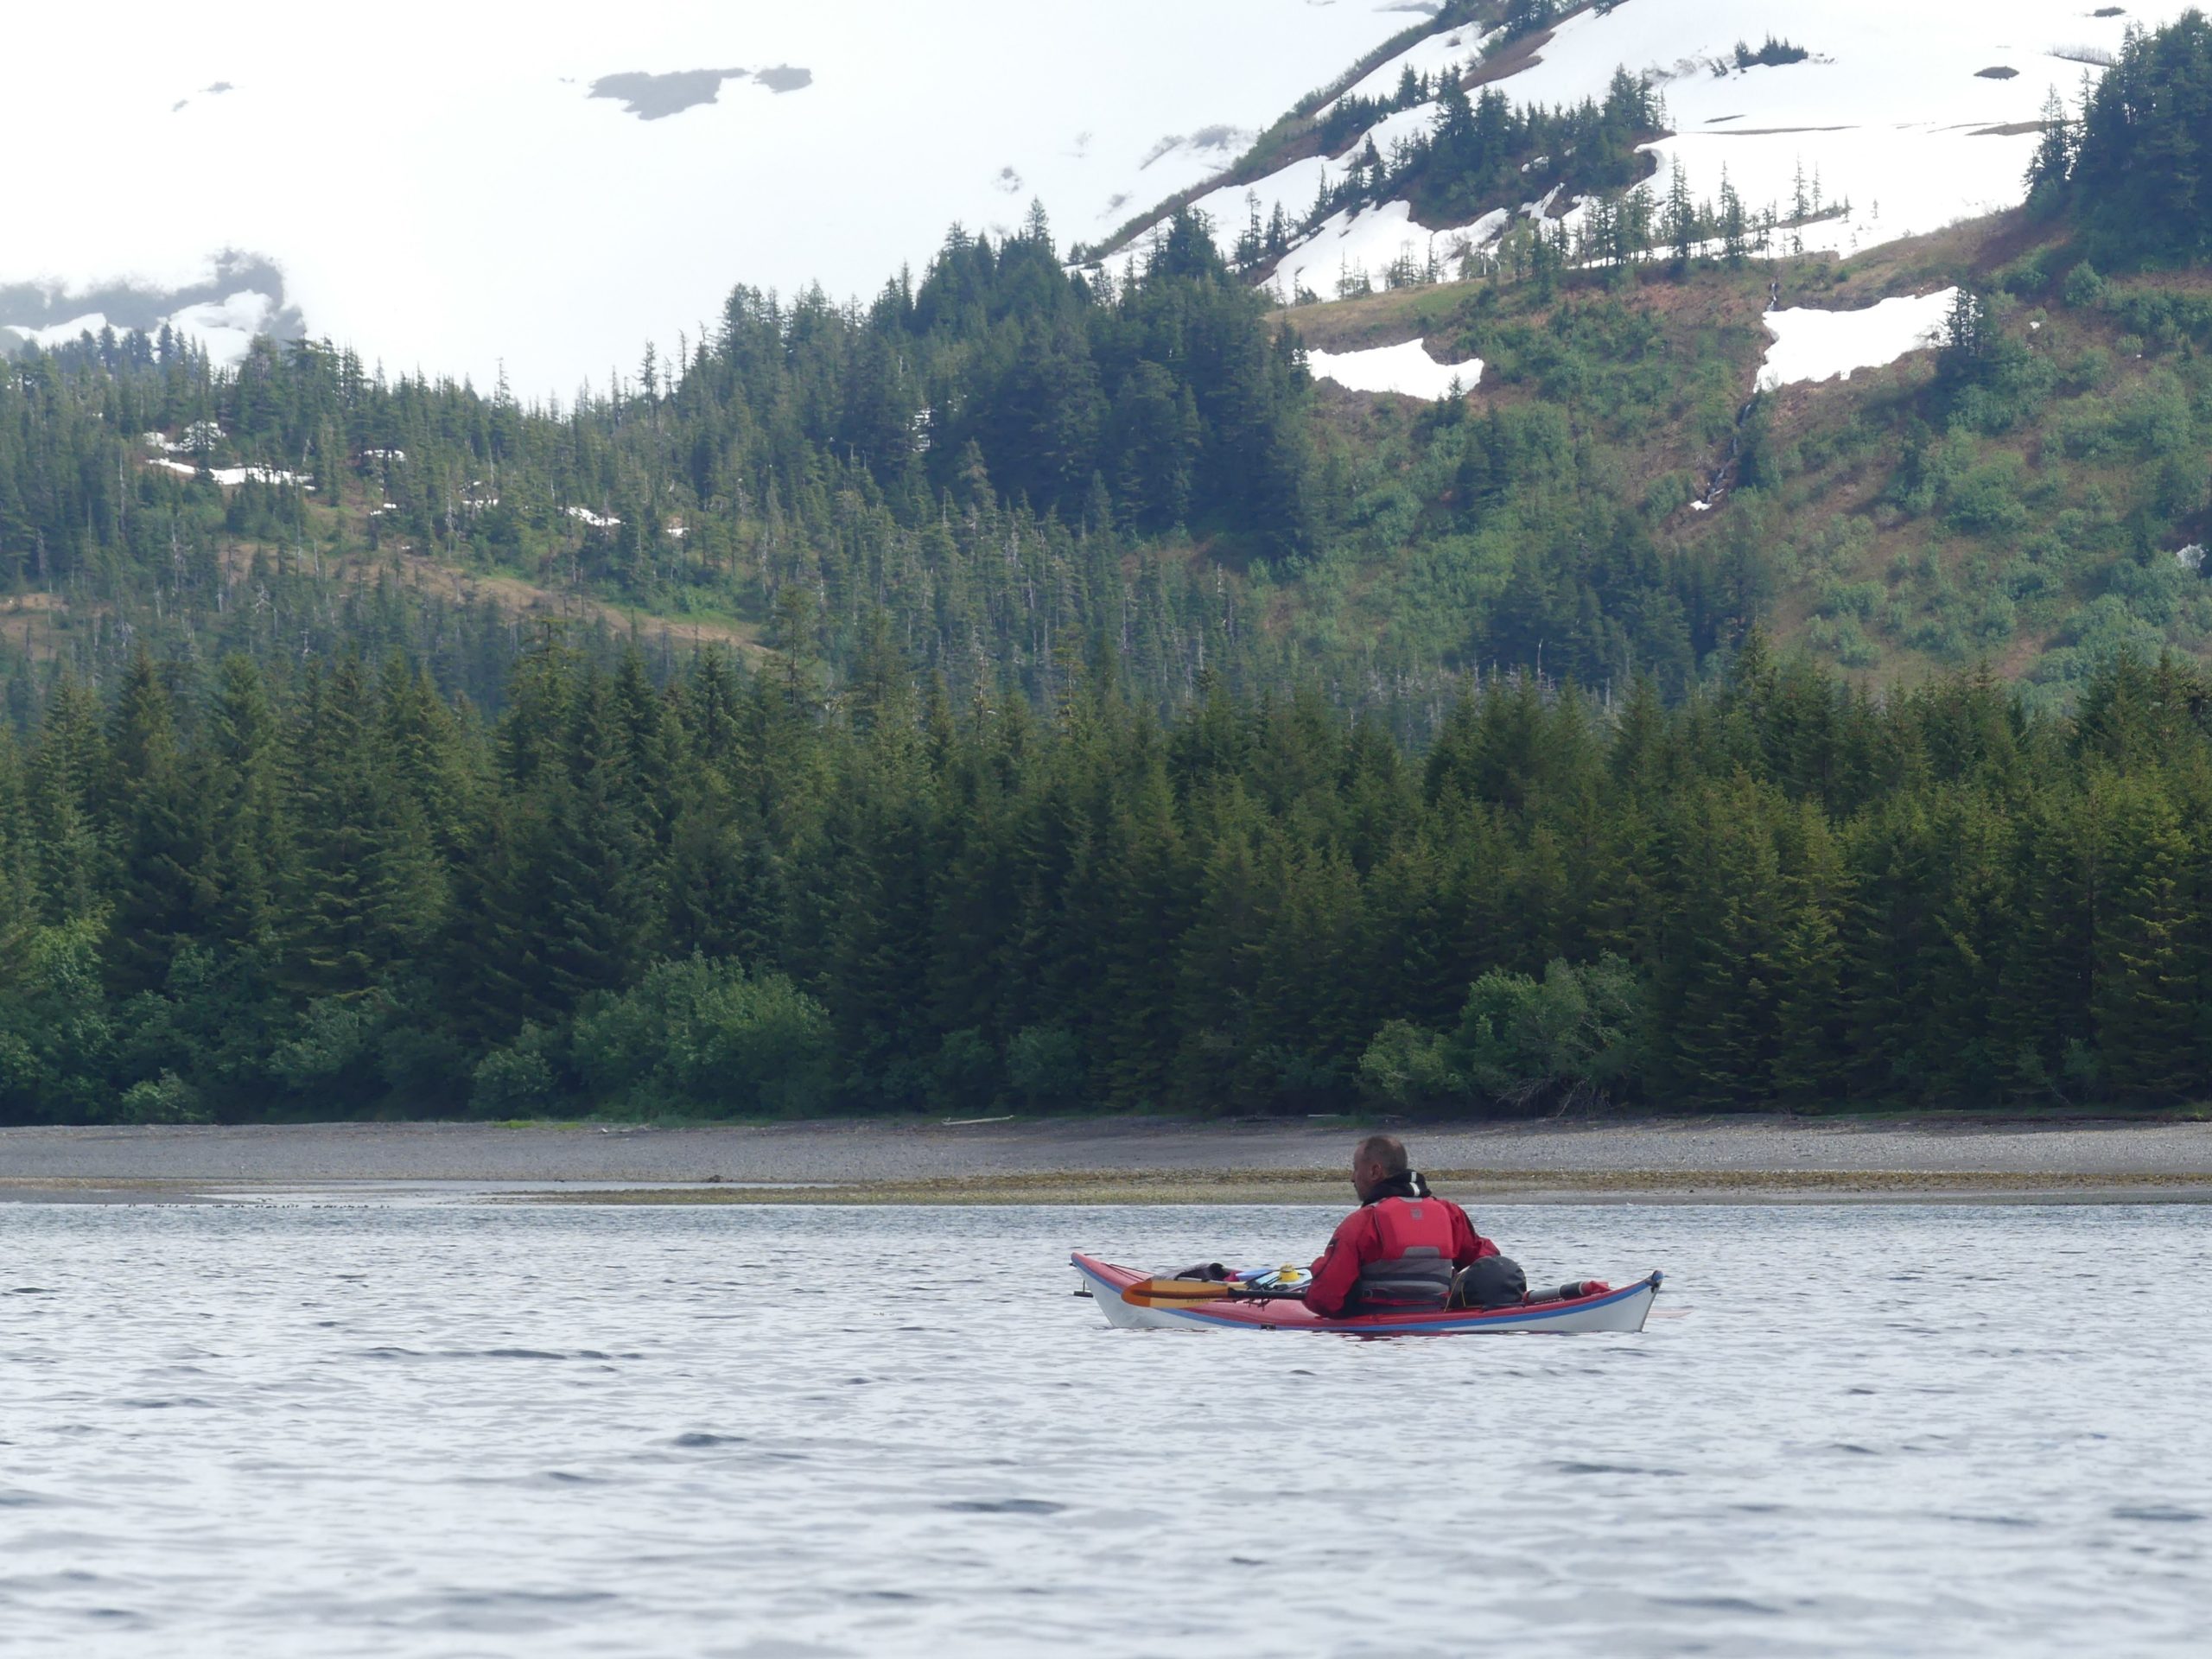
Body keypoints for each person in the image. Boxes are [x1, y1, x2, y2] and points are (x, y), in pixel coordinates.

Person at [1304, 1134, 1518, 1317]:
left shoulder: (1362, 1222)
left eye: (1355, 1169)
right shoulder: (1449, 1213)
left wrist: (1317, 1276)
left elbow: (1325, 1299)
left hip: (1380, 1323)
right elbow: (1489, 1260)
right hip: (1438, 1322)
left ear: (1374, 1171)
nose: (1352, 1178)